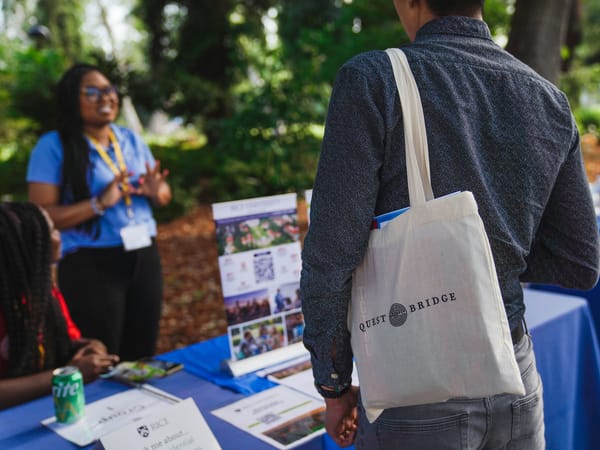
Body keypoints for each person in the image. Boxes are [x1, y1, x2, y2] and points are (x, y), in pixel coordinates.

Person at [300, 1, 600, 449]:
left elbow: (330, 257)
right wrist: (490, 267)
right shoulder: (546, 98)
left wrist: (334, 385)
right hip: (515, 372)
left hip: (417, 385)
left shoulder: (373, 80)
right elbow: (580, 263)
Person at [27, 63, 172, 361]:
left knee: (142, 354)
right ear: (71, 99)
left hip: (144, 256)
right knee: (102, 358)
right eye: (92, 92)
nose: (105, 97)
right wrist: (99, 203)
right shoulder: (53, 146)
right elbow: (41, 216)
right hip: (91, 264)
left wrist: (157, 191)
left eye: (109, 90)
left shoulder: (130, 139)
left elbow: (163, 195)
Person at [0, 202, 119, 409]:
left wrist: (91, 347)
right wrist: (67, 375)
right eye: (52, 230)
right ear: (26, 246)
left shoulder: (42, 292)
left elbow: (65, 341)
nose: (59, 236)